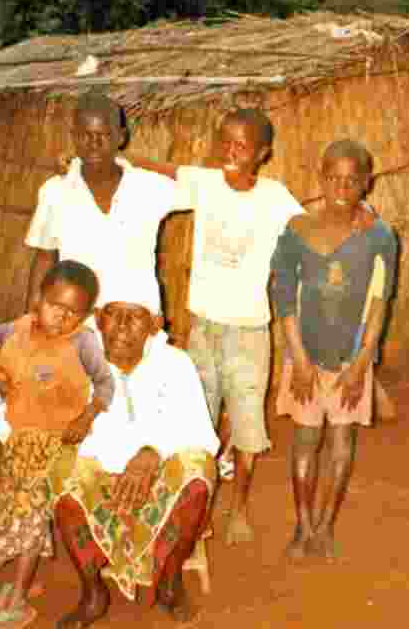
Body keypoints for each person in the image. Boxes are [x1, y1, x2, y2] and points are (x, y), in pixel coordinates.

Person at [134, 108, 304, 545]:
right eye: (224, 140)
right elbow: (162, 169)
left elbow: (306, 233)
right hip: (204, 330)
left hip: (249, 332)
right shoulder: (205, 184)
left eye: (242, 144)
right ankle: (199, 507)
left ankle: (239, 508)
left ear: (262, 153)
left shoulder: (275, 197)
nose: (230, 150)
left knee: (247, 427)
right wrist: (117, 159)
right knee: (197, 420)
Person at [49, 277, 220, 628]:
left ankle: (170, 583)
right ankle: (93, 591)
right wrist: (115, 462)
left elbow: (200, 432)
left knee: (198, 474)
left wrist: (153, 451)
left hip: (158, 476)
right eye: (114, 314)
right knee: (57, 470)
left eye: (136, 316)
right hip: (99, 476)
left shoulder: (175, 363)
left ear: (155, 324)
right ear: (98, 319)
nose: (123, 326)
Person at [0, 260, 115, 629]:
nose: (62, 318)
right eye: (54, 306)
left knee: (30, 518)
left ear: (86, 315)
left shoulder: (83, 342)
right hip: (20, 443)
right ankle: (19, 584)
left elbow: (105, 385)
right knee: (19, 510)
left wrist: (86, 417)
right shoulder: (15, 330)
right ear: (37, 299)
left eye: (73, 313)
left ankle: (19, 601)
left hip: (58, 446)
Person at [269, 139, 397, 560]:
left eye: (351, 180)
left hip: (351, 361)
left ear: (366, 183)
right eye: (333, 178)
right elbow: (284, 296)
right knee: (306, 439)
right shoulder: (297, 230)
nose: (341, 186)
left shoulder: (379, 236)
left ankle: (325, 526)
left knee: (341, 441)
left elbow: (379, 301)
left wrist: (362, 363)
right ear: (320, 178)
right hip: (306, 356)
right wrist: (300, 360)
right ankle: (302, 524)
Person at [23, 91, 179, 317]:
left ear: (121, 137)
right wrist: (31, 317)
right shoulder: (55, 192)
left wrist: (133, 159)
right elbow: (45, 258)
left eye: (104, 134)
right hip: (76, 323)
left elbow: (208, 183)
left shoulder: (151, 187)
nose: (93, 144)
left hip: (137, 326)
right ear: (73, 137)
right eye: (85, 135)